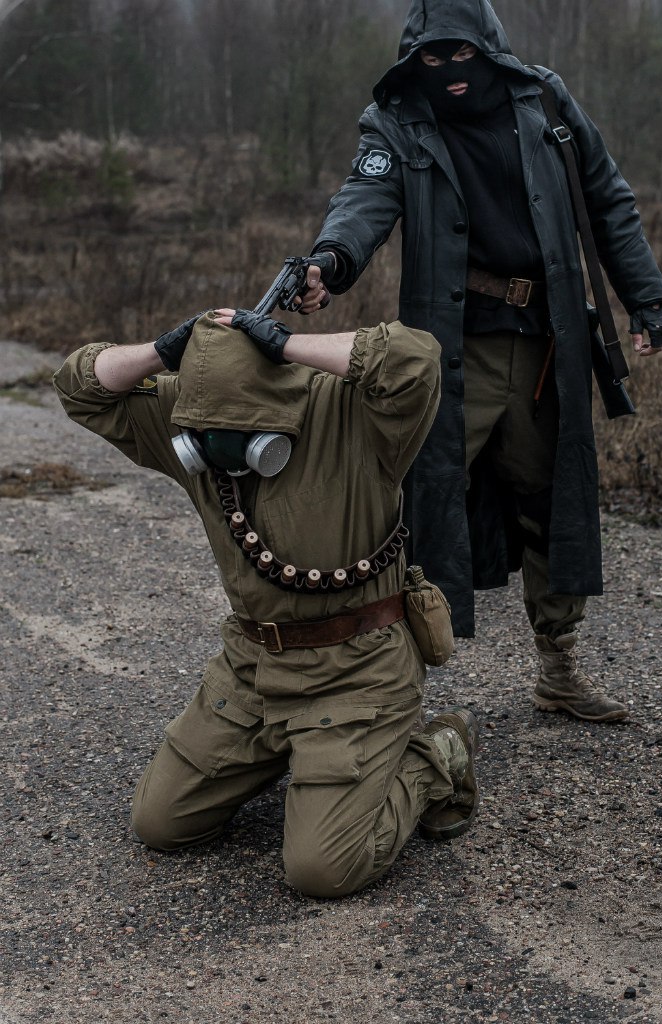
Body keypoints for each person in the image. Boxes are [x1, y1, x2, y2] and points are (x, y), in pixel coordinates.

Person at [299, 0, 662, 723]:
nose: (449, 70)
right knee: (417, 506)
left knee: (550, 500)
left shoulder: (543, 100)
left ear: (489, 48)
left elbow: (608, 198)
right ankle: (387, 685)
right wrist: (330, 261)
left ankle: (558, 668)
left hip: (545, 345)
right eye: (432, 57)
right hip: (450, 347)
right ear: (414, 61)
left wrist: (646, 299)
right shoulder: (398, 119)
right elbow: (365, 198)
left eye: (462, 54)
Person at [53, 307, 480, 899]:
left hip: (357, 672)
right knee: (159, 823)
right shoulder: (188, 418)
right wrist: (164, 351)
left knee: (322, 871)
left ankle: (435, 754)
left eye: (238, 433)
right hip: (253, 668)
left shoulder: (353, 412)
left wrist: (285, 345)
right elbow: (78, 386)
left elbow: (416, 357)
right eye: (205, 434)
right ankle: (302, 762)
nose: (216, 447)